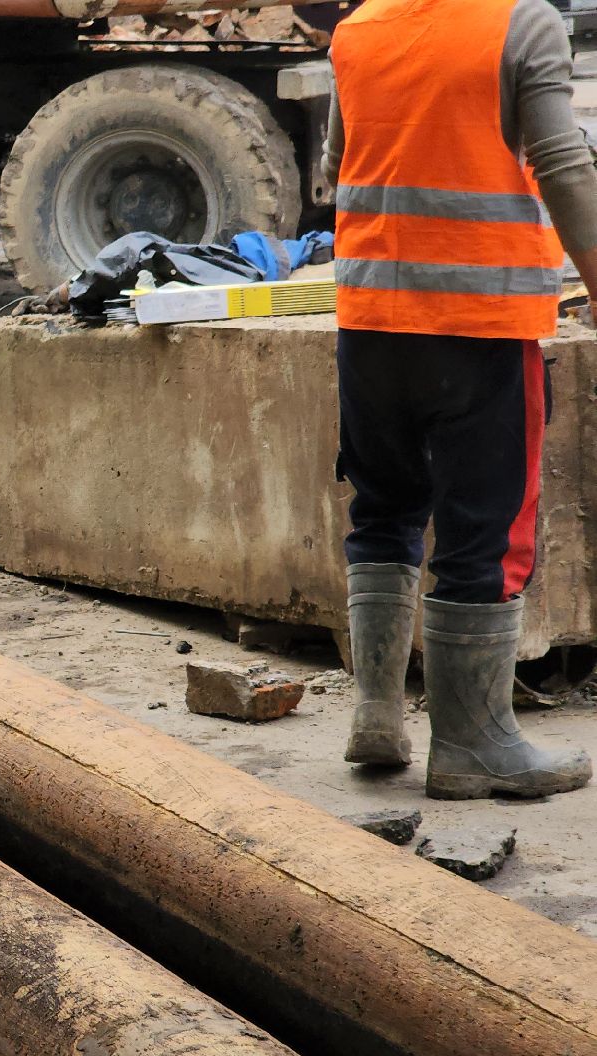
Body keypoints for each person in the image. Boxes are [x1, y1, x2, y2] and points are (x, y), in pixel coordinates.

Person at [327, 0, 597, 799]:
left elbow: (338, 161)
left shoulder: (359, 26)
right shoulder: (522, 24)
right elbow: (565, 167)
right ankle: (473, 745)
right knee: (485, 532)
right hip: (480, 324)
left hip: (371, 322)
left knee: (383, 508)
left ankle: (377, 712)